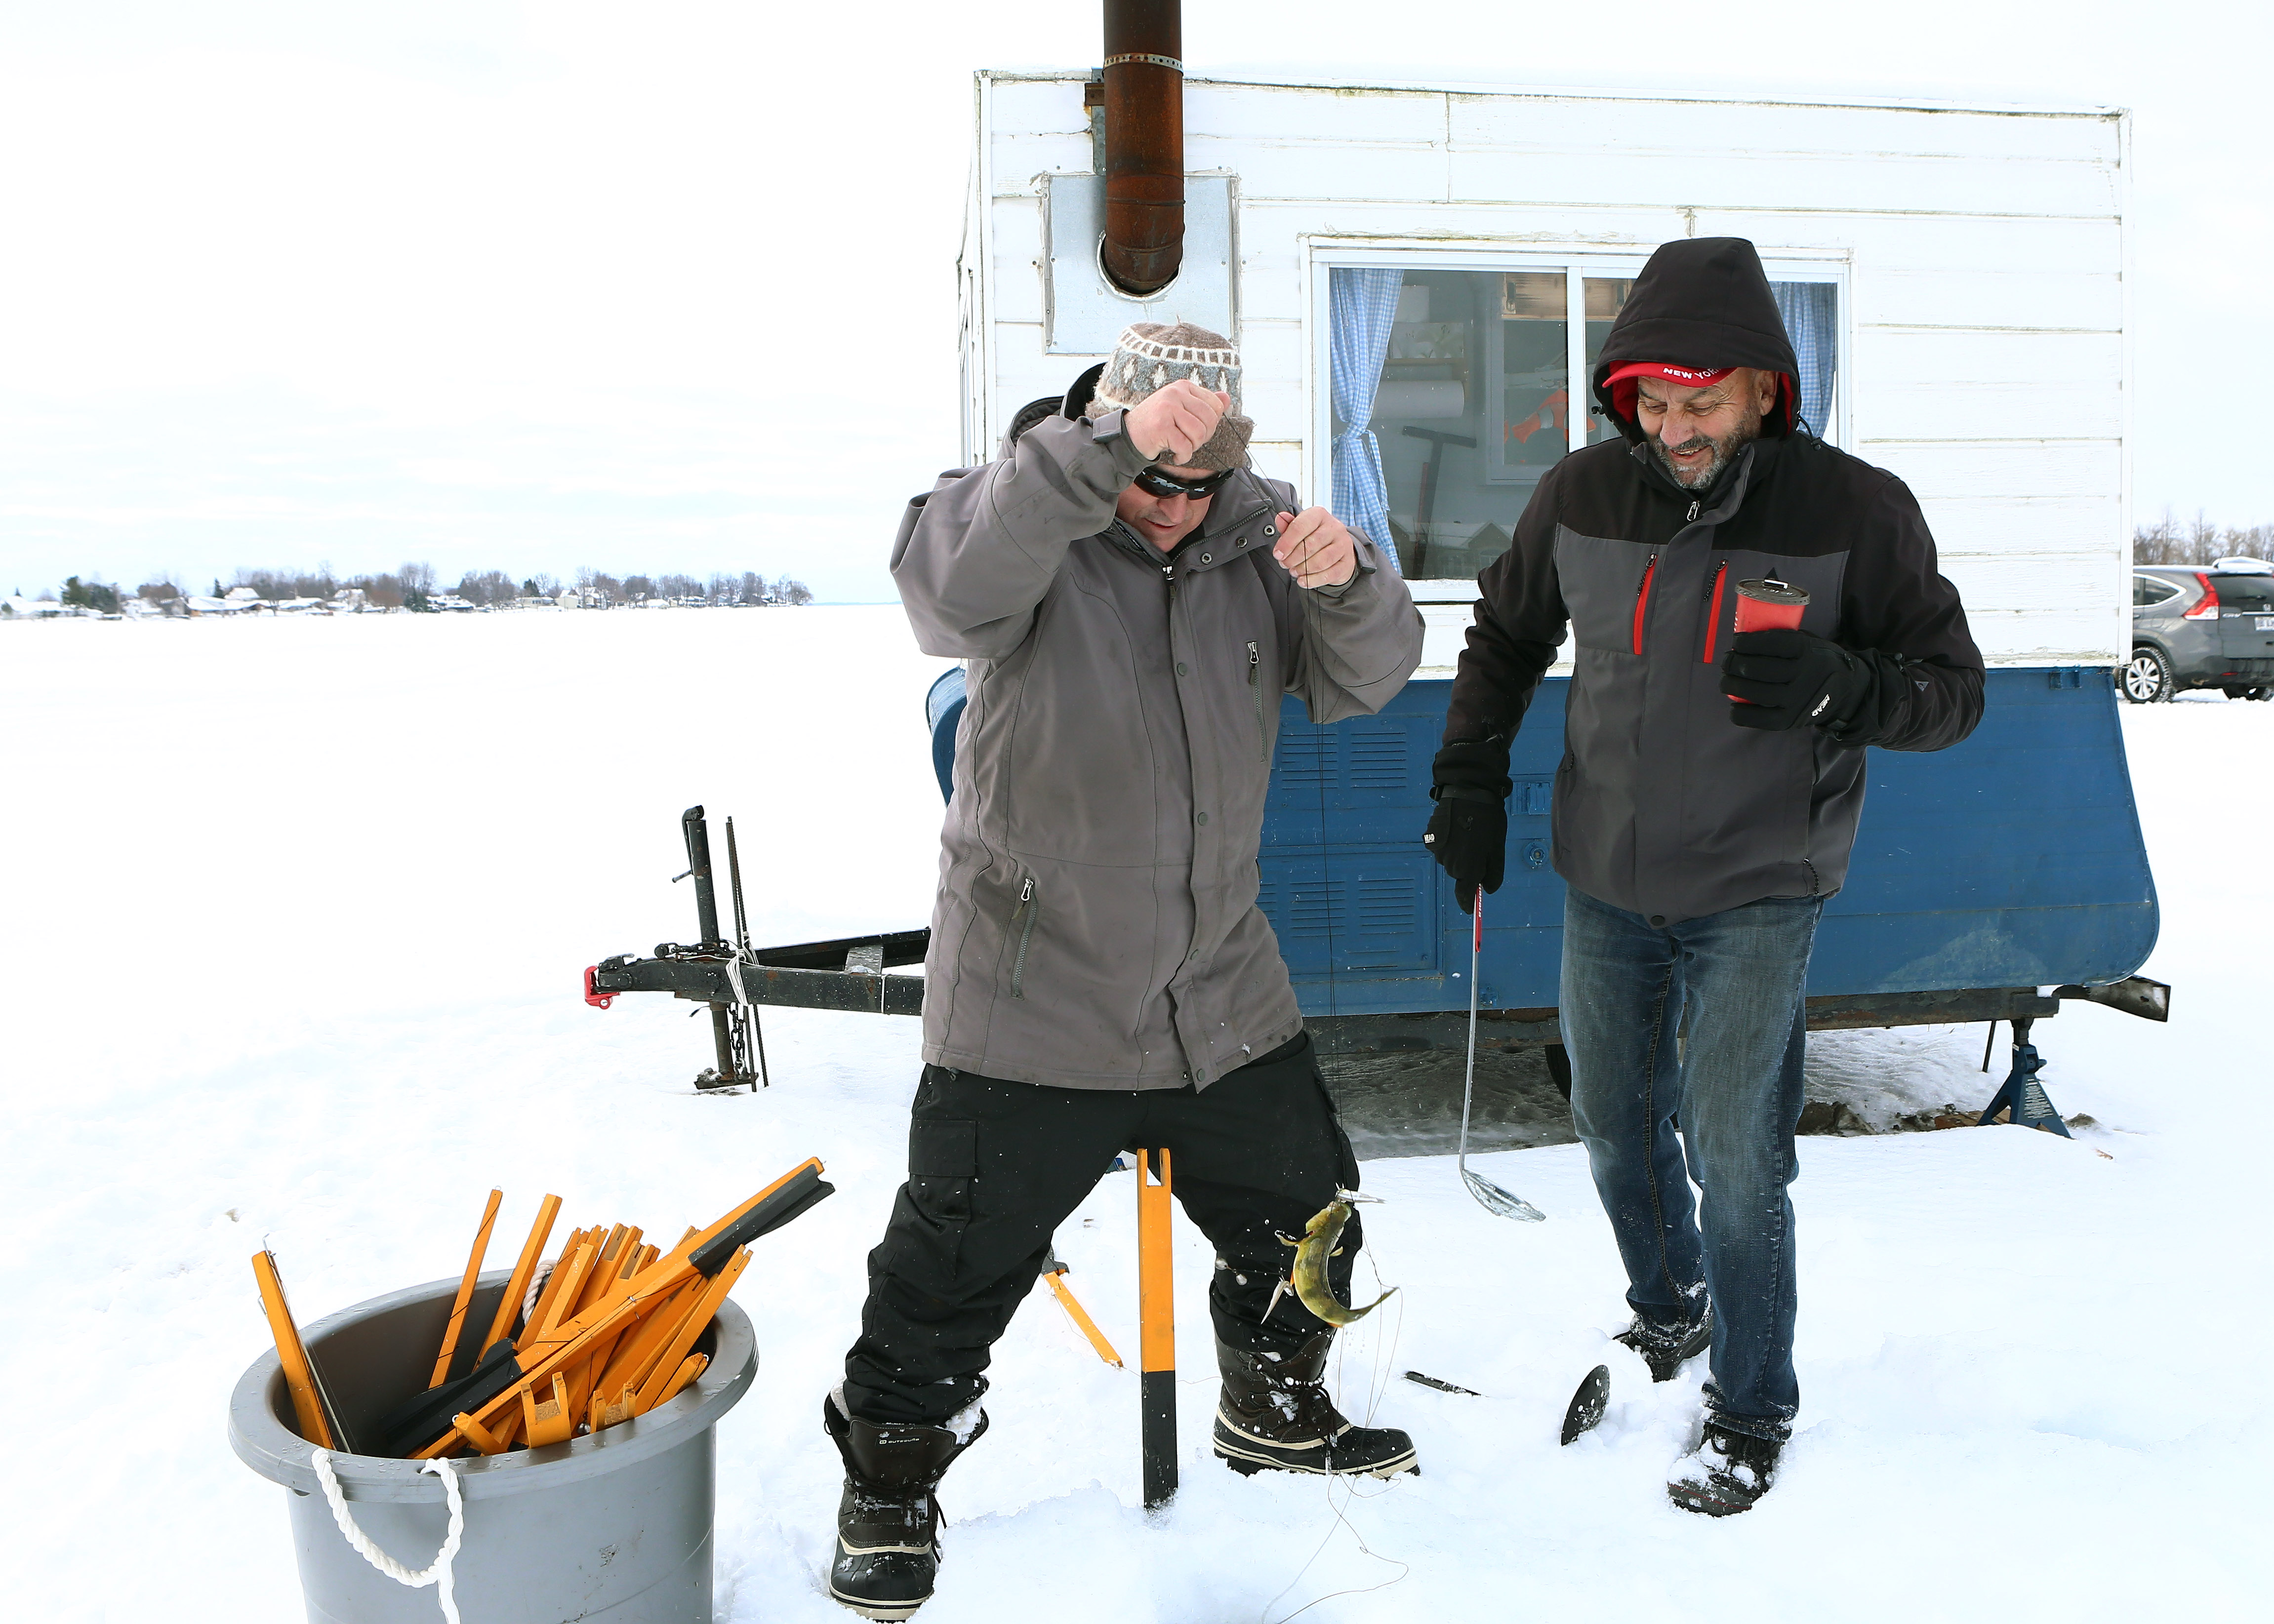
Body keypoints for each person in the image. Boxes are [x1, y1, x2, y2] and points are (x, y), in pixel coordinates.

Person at [826, 322, 1426, 1620]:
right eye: (1148, 473)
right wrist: (1096, 452)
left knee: (1309, 1220)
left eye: (1194, 483)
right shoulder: (1017, 520)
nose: (1168, 507)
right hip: (1034, 993)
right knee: (948, 1269)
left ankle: (1273, 1406)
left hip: (1217, 987)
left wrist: (1347, 583)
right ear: (1103, 441)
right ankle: (887, 1479)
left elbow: (1369, 674)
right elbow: (945, 600)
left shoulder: (1255, 540)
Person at [1423, 238, 1984, 1517]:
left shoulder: (1854, 513)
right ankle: (1666, 1309)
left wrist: (1851, 687)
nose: (1674, 430)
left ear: (1763, 392)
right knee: (1612, 1127)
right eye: (1654, 404)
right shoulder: (1578, 496)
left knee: (1733, 1149)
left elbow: (1954, 693)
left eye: (1702, 403)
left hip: (1758, 883)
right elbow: (1505, 639)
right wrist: (1465, 777)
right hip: (1606, 874)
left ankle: (1748, 1401)